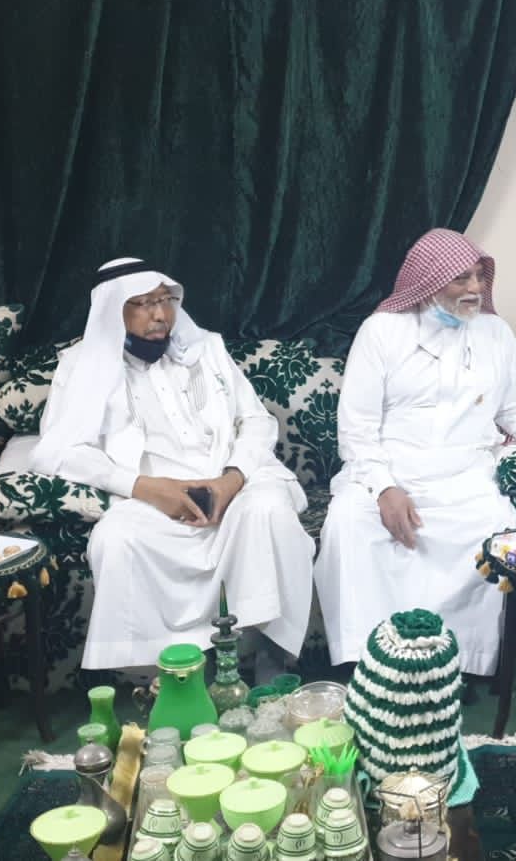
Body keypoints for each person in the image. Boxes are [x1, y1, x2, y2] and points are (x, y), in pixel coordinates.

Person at [314, 229, 516, 676]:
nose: (475, 288)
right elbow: (357, 429)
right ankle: (370, 665)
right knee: (348, 523)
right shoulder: (382, 331)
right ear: (428, 281)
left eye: (479, 277)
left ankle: (458, 664)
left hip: (465, 475)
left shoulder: (494, 332)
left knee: (491, 527)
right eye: (461, 278)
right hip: (388, 472)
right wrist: (385, 489)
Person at [31, 257, 316, 671]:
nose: (160, 314)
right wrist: (145, 488)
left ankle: (268, 657)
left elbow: (257, 420)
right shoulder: (82, 365)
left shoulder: (207, 349)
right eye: (144, 303)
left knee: (269, 510)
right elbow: (59, 450)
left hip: (235, 485)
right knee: (116, 539)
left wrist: (231, 479)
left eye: (165, 300)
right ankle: (159, 674)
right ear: (114, 311)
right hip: (153, 501)